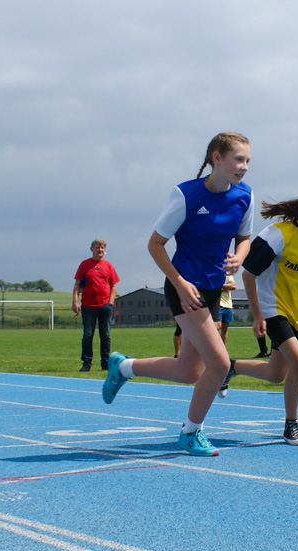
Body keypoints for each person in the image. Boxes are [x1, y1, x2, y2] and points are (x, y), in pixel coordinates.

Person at [102, 131, 253, 457]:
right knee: (220, 364)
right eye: (238, 159)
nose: (244, 167)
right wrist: (180, 282)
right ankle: (190, 432)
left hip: (214, 289)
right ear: (217, 157)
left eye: (248, 161)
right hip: (185, 287)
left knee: (189, 371)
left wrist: (240, 256)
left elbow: (245, 237)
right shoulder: (185, 195)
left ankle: (124, 367)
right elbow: (155, 245)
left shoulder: (245, 196)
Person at [223, 182, 298, 445]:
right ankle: (292, 425)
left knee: (275, 374)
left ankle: (230, 367)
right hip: (273, 308)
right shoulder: (278, 234)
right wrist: (258, 316)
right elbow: (249, 275)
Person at [72, 239, 120, 371]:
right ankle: (86, 363)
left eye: (102, 248)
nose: (100, 250)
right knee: (88, 334)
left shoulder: (108, 265)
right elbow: (77, 285)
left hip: (105, 306)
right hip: (88, 306)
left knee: (105, 335)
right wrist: (75, 302)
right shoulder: (85, 264)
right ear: (92, 249)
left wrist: (111, 301)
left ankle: (105, 363)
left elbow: (113, 285)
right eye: (97, 247)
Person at [216, 273, 236, 343]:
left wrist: (220, 286)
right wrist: (227, 286)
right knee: (216, 327)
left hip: (228, 305)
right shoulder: (215, 275)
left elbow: (233, 286)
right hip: (218, 304)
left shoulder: (228, 275)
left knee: (224, 329)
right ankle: (213, 350)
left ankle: (222, 350)